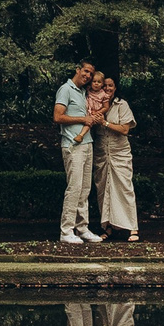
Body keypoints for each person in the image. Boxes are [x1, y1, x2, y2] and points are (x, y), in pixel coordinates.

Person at [54, 62, 105, 245]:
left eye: (91, 73)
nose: (88, 76)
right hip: (72, 145)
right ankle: (66, 231)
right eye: (85, 71)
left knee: (85, 188)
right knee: (74, 188)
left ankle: (82, 228)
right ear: (77, 70)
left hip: (87, 142)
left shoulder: (84, 92)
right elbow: (58, 117)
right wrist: (83, 119)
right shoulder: (65, 89)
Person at [95, 74, 140, 241]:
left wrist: (105, 123)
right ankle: (108, 227)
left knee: (124, 188)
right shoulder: (95, 104)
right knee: (103, 190)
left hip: (119, 152)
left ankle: (132, 228)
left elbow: (125, 129)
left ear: (115, 88)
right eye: (104, 85)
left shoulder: (122, 105)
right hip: (102, 153)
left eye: (110, 86)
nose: (107, 89)